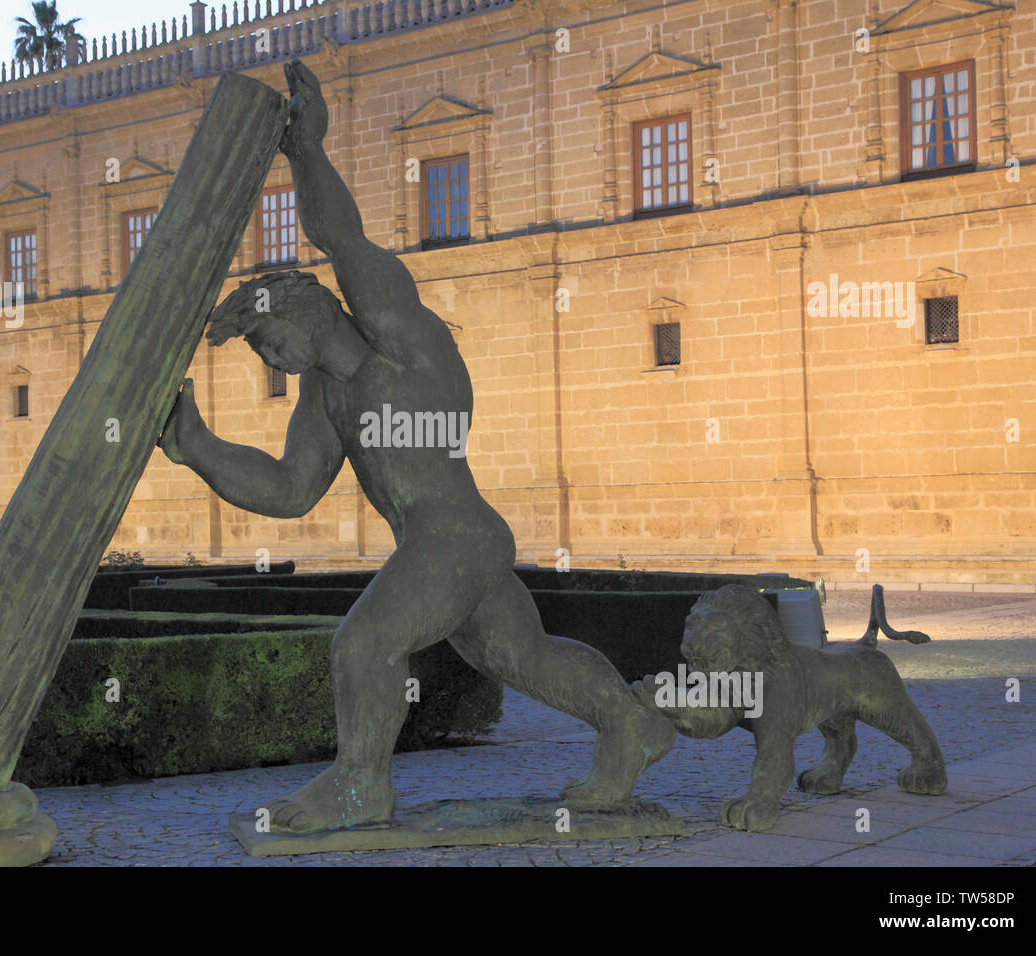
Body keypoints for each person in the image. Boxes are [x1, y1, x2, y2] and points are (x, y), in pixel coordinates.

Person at [157, 60, 674, 833]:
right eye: (261, 352)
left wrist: (306, 152)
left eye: (271, 339)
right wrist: (195, 444)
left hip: (454, 539)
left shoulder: (400, 340)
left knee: (363, 644)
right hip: (458, 545)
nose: (271, 359)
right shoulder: (326, 400)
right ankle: (633, 726)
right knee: (526, 660)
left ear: (307, 309)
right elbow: (288, 490)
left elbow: (340, 234)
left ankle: (362, 786)